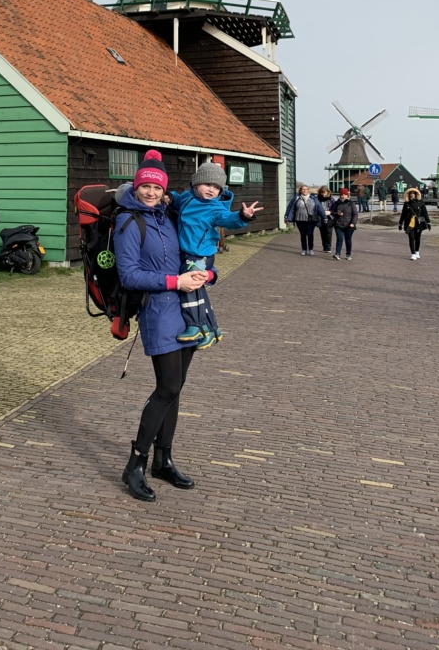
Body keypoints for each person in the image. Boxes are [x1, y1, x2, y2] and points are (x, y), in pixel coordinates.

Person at [111, 150, 209, 502]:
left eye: (156, 186)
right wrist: (175, 282)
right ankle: (135, 463)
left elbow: (193, 245)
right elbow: (130, 275)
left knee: (176, 387)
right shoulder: (128, 222)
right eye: (145, 186)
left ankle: (163, 459)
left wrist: (203, 273)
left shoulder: (167, 214)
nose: (151, 192)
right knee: (166, 387)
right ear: (136, 187)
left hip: (186, 310)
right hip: (157, 312)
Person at [168, 161, 261, 348]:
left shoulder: (215, 208)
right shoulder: (187, 198)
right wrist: (168, 196)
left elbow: (228, 219)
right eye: (208, 184)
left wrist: (243, 216)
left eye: (217, 187)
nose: (212, 190)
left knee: (188, 285)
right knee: (199, 288)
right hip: (188, 252)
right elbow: (177, 200)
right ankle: (211, 329)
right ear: (196, 184)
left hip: (200, 255)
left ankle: (194, 324)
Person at [284, 183, 326, 255]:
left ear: (308, 190)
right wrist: (286, 216)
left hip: (311, 220)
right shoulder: (296, 199)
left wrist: (324, 217)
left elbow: (320, 208)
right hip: (299, 219)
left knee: (310, 233)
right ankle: (304, 249)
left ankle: (311, 249)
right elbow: (290, 207)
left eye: (306, 189)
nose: (304, 190)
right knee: (303, 234)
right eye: (303, 189)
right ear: (300, 191)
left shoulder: (313, 199)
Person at [398, 187, 431, 259]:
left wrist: (428, 222)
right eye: (411, 194)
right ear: (409, 195)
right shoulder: (407, 203)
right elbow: (403, 214)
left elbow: (425, 212)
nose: (412, 195)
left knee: (418, 238)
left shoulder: (420, 202)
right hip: (409, 222)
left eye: (413, 193)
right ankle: (412, 254)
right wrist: (400, 223)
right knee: (411, 237)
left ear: (416, 194)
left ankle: (417, 251)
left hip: (419, 222)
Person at [331, 187, 357, 260]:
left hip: (349, 225)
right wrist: (337, 213)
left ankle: (348, 254)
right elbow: (333, 212)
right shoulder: (336, 203)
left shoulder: (351, 203)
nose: (343, 196)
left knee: (348, 240)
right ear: (340, 195)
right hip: (338, 224)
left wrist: (353, 223)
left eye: (345, 195)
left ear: (347, 195)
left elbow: (355, 214)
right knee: (339, 239)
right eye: (342, 194)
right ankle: (337, 254)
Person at [316, 185, 335, 252]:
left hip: (329, 217)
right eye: (322, 192)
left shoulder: (331, 199)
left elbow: (334, 208)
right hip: (321, 217)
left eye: (324, 192)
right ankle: (324, 246)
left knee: (329, 231)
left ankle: (329, 247)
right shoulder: (317, 199)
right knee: (322, 232)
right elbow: (315, 208)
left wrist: (330, 212)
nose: (323, 194)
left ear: (327, 192)